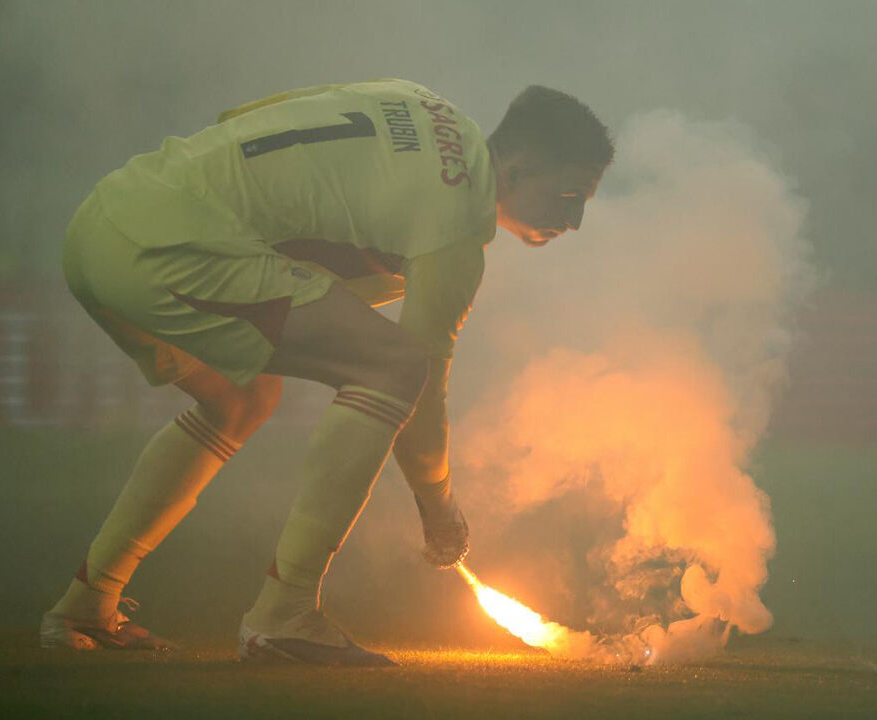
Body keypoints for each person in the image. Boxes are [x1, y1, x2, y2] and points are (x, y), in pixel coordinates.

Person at [40, 79, 613, 665]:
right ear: (514, 169)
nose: (574, 220)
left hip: (107, 218)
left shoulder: (414, 97)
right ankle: (283, 614)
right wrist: (439, 509)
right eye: (568, 195)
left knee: (241, 401)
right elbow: (421, 390)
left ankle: (87, 604)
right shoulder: (458, 225)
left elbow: (242, 112)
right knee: (391, 366)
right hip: (167, 249)